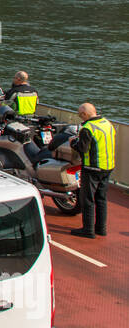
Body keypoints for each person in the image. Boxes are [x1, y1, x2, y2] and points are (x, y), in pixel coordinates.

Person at [71, 102, 116, 238]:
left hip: (92, 167)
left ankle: (88, 230)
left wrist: (72, 142)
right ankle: (101, 228)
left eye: (80, 116)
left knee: (88, 199)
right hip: (107, 166)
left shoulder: (88, 128)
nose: (81, 118)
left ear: (85, 114)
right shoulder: (107, 123)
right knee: (101, 198)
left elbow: (82, 148)